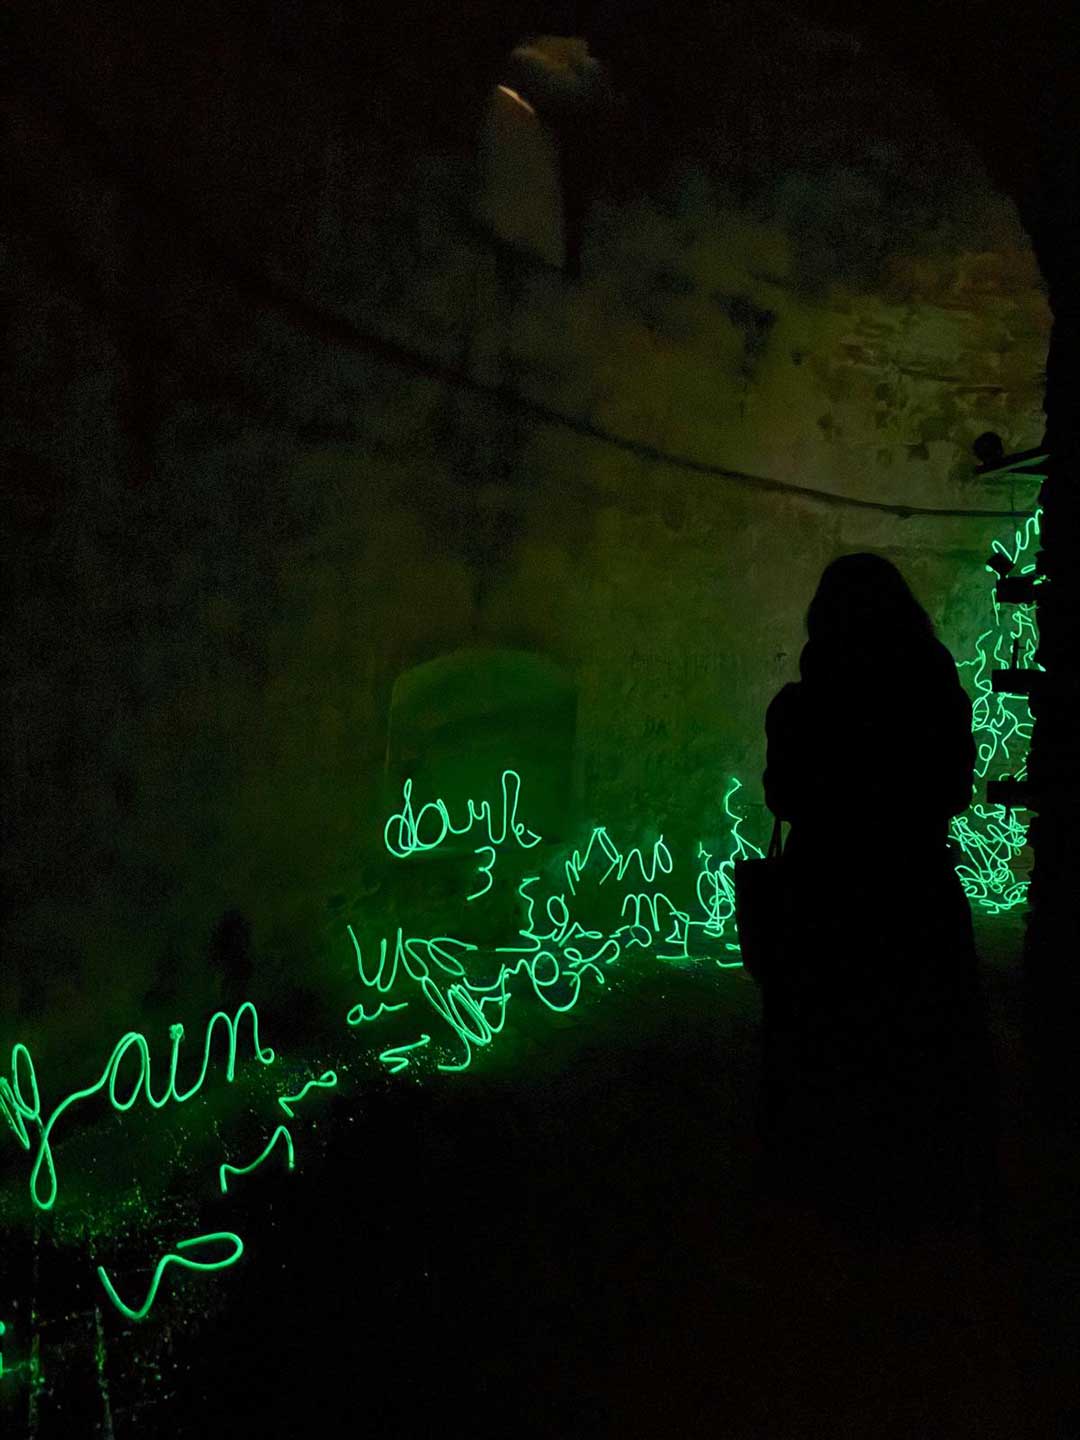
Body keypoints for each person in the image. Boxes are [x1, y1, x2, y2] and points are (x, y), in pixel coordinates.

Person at [757, 553, 999, 1241]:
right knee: (917, 1040)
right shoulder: (935, 692)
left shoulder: (802, 704)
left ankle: (828, 1193)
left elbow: (784, 796)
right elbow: (953, 790)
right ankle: (922, 1193)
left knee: (829, 1040)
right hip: (914, 890)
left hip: (825, 894)